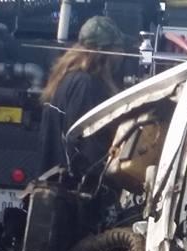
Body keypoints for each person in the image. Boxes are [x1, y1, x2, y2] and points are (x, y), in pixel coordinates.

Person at [39, 15, 124, 176]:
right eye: (118, 48)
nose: (122, 53)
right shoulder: (86, 85)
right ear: (104, 51)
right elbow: (84, 143)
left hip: (55, 183)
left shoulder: (66, 78)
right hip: (74, 190)